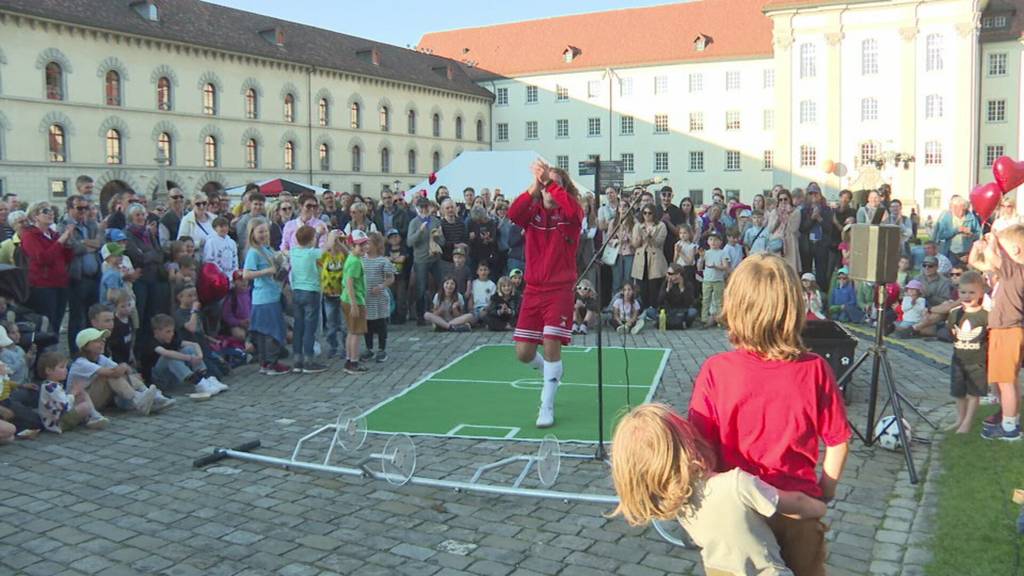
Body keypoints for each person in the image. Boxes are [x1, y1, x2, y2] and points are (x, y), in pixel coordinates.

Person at [689, 254, 850, 576]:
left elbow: (699, 448)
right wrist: (825, 490)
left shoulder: (716, 371)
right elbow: (838, 441)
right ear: (793, 308)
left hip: (735, 512)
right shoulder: (815, 369)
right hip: (797, 506)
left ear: (735, 306)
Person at [610, 403, 826, 576]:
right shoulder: (737, 484)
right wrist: (819, 506)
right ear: (688, 440)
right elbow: (795, 503)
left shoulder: (675, 501)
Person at [508, 160, 583, 429]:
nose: (549, 192)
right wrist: (534, 186)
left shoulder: (571, 214)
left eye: (554, 187)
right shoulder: (533, 212)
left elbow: (576, 211)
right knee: (524, 353)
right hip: (533, 289)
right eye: (545, 187)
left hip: (560, 289)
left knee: (551, 343)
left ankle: (546, 404)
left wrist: (550, 181)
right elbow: (513, 214)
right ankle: (550, 372)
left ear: (562, 189)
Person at [969, 226, 1024, 440]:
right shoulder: (1010, 270)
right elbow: (979, 262)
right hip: (1006, 330)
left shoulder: (1015, 268)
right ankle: (1009, 419)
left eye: (1004, 248)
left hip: (1008, 330)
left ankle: (1010, 428)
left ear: (1016, 250)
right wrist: (978, 247)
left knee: (1006, 381)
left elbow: (991, 256)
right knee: (1005, 380)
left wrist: (992, 241)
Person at [69, 328, 163, 419]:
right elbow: (114, 372)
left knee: (120, 373)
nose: (102, 343)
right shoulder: (80, 363)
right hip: (81, 403)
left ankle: (151, 396)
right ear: (85, 346)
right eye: (97, 341)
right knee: (109, 375)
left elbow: (121, 370)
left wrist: (127, 371)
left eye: (103, 340)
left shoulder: (100, 357)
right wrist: (124, 366)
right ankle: (138, 399)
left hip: (98, 398)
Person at [242, 221, 290, 376]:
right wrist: (267, 271)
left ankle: (268, 362)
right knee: (269, 332)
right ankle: (269, 363)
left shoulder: (267, 249)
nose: (263, 235)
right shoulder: (253, 252)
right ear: (253, 234)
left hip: (273, 294)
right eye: (260, 232)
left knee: (272, 330)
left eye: (265, 231)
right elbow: (246, 274)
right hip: (264, 297)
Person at [945, 271, 989, 434]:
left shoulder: (985, 315)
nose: (967, 296)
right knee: (958, 392)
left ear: (981, 293)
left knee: (973, 393)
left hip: (977, 361)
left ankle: (968, 422)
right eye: (963, 292)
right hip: (958, 359)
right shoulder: (955, 314)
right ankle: (959, 419)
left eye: (972, 292)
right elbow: (951, 332)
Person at [21, 201, 74, 337]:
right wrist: (60, 241)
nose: (50, 213)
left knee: (57, 322)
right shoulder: (29, 235)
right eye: (45, 211)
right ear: (35, 216)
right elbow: (42, 258)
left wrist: (67, 245)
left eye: (51, 210)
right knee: (46, 322)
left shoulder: (54, 234)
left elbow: (65, 259)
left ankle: (54, 353)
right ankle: (44, 354)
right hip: (43, 285)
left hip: (60, 283)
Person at [289, 226, 333, 374]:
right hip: (311, 292)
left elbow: (310, 248)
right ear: (311, 239)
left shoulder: (294, 251)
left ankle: (297, 360)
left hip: (297, 291)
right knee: (309, 328)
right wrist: (330, 234)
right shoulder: (313, 253)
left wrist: (317, 234)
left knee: (298, 327)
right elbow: (327, 247)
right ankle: (308, 360)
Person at [408, 197, 446, 326]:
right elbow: (409, 242)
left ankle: (442, 312)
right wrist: (420, 232)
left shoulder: (435, 221)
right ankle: (421, 316)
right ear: (417, 209)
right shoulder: (414, 222)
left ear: (429, 207)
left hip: (435, 258)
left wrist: (439, 236)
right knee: (421, 288)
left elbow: (443, 242)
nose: (424, 209)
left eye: (426, 206)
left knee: (441, 284)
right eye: (421, 207)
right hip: (421, 260)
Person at [360, 231, 396, 363]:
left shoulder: (383, 261)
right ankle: (368, 348)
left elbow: (391, 278)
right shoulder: (361, 260)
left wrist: (381, 286)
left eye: (368, 243)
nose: (366, 246)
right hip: (366, 298)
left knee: (380, 324)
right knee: (367, 324)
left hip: (379, 298)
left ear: (376, 244)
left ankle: (382, 349)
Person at [342, 230, 370, 374]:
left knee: (351, 331)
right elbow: (350, 282)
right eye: (360, 245)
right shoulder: (355, 262)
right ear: (353, 246)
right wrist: (354, 303)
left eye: (365, 244)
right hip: (354, 300)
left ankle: (349, 359)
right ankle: (353, 362)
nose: (364, 247)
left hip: (350, 299)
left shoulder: (353, 258)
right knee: (356, 333)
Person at [631, 205, 668, 313]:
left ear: (654, 214)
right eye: (645, 213)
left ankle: (654, 309)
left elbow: (658, 243)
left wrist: (649, 237)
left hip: (655, 258)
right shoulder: (638, 226)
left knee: (654, 286)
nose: (647, 215)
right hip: (641, 257)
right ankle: (642, 309)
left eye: (649, 213)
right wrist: (640, 237)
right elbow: (635, 244)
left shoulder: (661, 225)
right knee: (641, 286)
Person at [320, 232, 348, 359]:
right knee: (331, 324)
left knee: (344, 325)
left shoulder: (343, 255)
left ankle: (346, 348)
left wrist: (340, 243)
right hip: (329, 295)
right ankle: (332, 346)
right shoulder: (325, 256)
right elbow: (318, 256)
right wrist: (329, 242)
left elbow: (349, 254)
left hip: (342, 294)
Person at [933, 195, 980, 265]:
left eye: (963, 209)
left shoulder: (971, 217)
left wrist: (971, 235)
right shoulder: (946, 218)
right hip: (951, 252)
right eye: (958, 209)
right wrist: (956, 230)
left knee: (966, 273)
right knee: (952, 273)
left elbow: (979, 234)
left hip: (967, 252)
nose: (961, 212)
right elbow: (941, 235)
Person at [699, 233, 729, 328]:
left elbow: (725, 267)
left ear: (720, 242)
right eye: (711, 240)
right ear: (708, 242)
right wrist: (701, 258)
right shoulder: (706, 253)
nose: (713, 242)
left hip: (718, 280)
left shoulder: (723, 252)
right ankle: (704, 319)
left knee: (719, 301)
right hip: (707, 279)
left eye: (716, 240)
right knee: (705, 299)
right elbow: (699, 267)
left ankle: (720, 320)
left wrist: (715, 266)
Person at [658, 264, 698, 329]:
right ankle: (679, 324)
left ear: (678, 274)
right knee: (649, 311)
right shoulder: (666, 283)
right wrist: (667, 290)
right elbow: (660, 301)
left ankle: (681, 323)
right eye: (667, 273)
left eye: (670, 273)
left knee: (693, 312)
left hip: (683, 311)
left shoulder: (687, 284)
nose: (667, 275)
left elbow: (689, 302)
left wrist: (682, 289)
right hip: (669, 311)